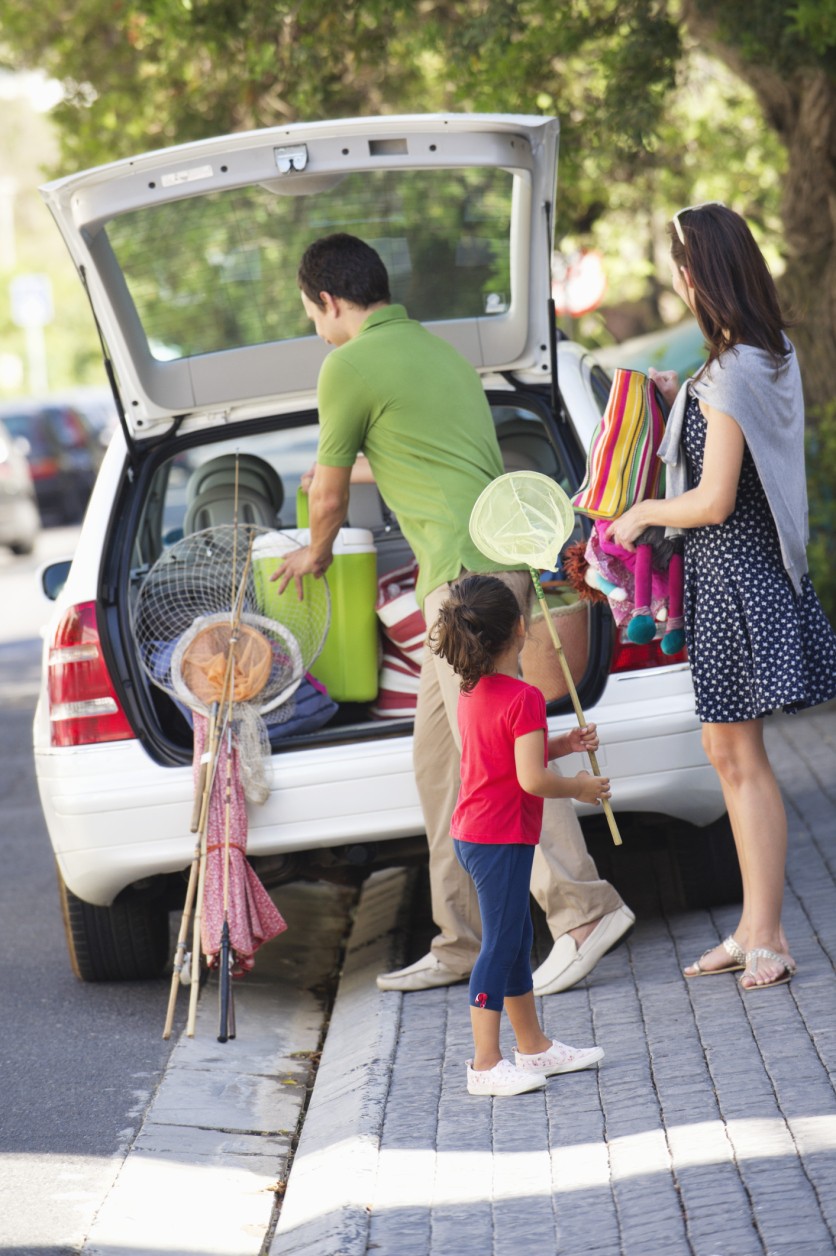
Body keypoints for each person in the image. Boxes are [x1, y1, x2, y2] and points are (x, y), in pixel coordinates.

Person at [273, 232, 634, 997]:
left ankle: (583, 910)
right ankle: (461, 939)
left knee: (501, 756)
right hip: (495, 567)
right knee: (441, 766)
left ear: (329, 302)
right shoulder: (437, 353)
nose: (316, 328)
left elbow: (329, 498)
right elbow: (426, 448)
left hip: (463, 583)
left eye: (312, 313)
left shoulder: (346, 364)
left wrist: (316, 554)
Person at [607, 202, 836, 991]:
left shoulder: (737, 366)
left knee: (740, 760)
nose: (676, 275)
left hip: (735, 576)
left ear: (697, 270)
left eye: (680, 262)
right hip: (737, 577)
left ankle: (766, 935)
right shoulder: (761, 355)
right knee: (728, 755)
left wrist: (639, 512)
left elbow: (711, 499)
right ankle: (751, 927)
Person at [430, 574, 607, 1095]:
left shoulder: (473, 689)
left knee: (517, 938)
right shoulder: (525, 696)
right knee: (502, 945)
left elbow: (510, 754)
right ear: (520, 630)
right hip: (500, 838)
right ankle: (485, 1064)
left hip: (475, 834)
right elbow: (530, 779)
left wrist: (563, 743)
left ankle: (533, 1049)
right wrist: (578, 787)